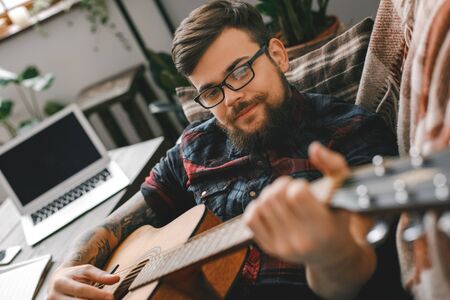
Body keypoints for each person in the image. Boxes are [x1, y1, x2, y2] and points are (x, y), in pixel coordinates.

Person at [47, 1, 401, 299]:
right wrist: (68, 268)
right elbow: (119, 222)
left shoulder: (352, 135)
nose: (232, 98)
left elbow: (361, 277)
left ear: (277, 55)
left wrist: (328, 253)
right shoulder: (195, 145)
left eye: (240, 71)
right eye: (212, 91)